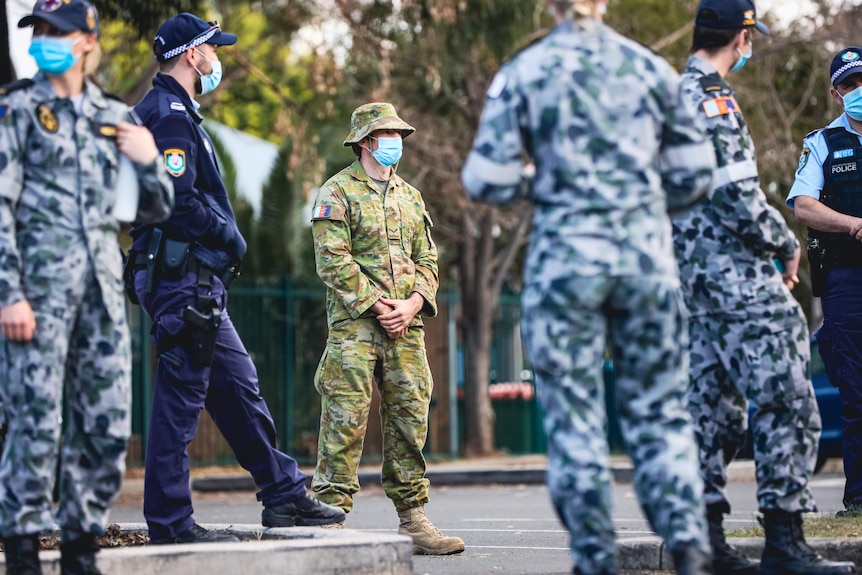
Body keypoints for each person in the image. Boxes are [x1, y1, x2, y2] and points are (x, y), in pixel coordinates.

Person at [461, 0, 718, 573]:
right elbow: (698, 174)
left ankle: (595, 557)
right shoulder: (654, 71)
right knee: (661, 413)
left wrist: (545, 181)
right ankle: (690, 545)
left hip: (566, 268)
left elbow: (486, 178)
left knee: (575, 419)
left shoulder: (525, 72)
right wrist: (642, 203)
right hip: (646, 263)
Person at [128, 12, 344, 545]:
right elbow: (176, 203)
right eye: (212, 50)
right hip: (183, 276)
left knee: (237, 388)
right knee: (180, 401)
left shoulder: (171, 112)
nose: (217, 58)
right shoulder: (170, 114)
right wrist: (229, 234)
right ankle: (172, 524)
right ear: (192, 55)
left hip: (192, 280)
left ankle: (283, 493)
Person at [674, 2, 856, 575]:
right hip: (732, 270)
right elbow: (735, 190)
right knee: (788, 398)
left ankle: (705, 543)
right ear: (741, 36)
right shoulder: (711, 96)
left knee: (712, 406)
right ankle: (786, 543)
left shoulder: (665, 95)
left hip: (688, 276)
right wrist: (783, 243)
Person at [0, 0, 174, 573]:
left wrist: (149, 161)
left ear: (84, 40)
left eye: (53, 31)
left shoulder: (115, 116)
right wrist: (10, 294)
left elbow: (154, 209)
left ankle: (80, 543)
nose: (42, 39)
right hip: (37, 297)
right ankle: (23, 545)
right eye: (37, 31)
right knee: (34, 422)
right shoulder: (16, 111)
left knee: (103, 425)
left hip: (100, 297)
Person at [310, 102, 464, 556]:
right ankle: (329, 520)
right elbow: (332, 261)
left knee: (410, 418)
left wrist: (413, 303)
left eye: (398, 133)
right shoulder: (336, 192)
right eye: (385, 133)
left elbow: (428, 260)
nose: (395, 140)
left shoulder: (410, 196)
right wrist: (380, 305)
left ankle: (413, 520)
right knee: (345, 420)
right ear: (363, 142)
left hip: (407, 328)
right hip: (356, 327)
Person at [789, 46, 862, 521]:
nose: (860, 92)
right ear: (837, 93)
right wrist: (854, 224)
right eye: (851, 85)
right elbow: (802, 203)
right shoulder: (822, 144)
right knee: (856, 390)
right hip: (847, 281)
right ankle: (858, 498)